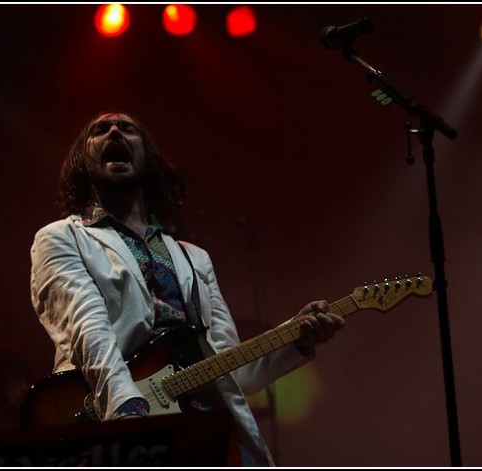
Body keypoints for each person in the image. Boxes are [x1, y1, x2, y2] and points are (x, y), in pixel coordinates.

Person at [29, 111, 345, 466]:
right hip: (114, 416)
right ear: (82, 162)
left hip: (205, 427)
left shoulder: (193, 258)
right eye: (100, 130)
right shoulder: (61, 238)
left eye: (127, 128)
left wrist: (295, 338)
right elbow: (87, 330)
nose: (114, 131)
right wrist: (126, 409)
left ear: (148, 159)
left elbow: (231, 369)